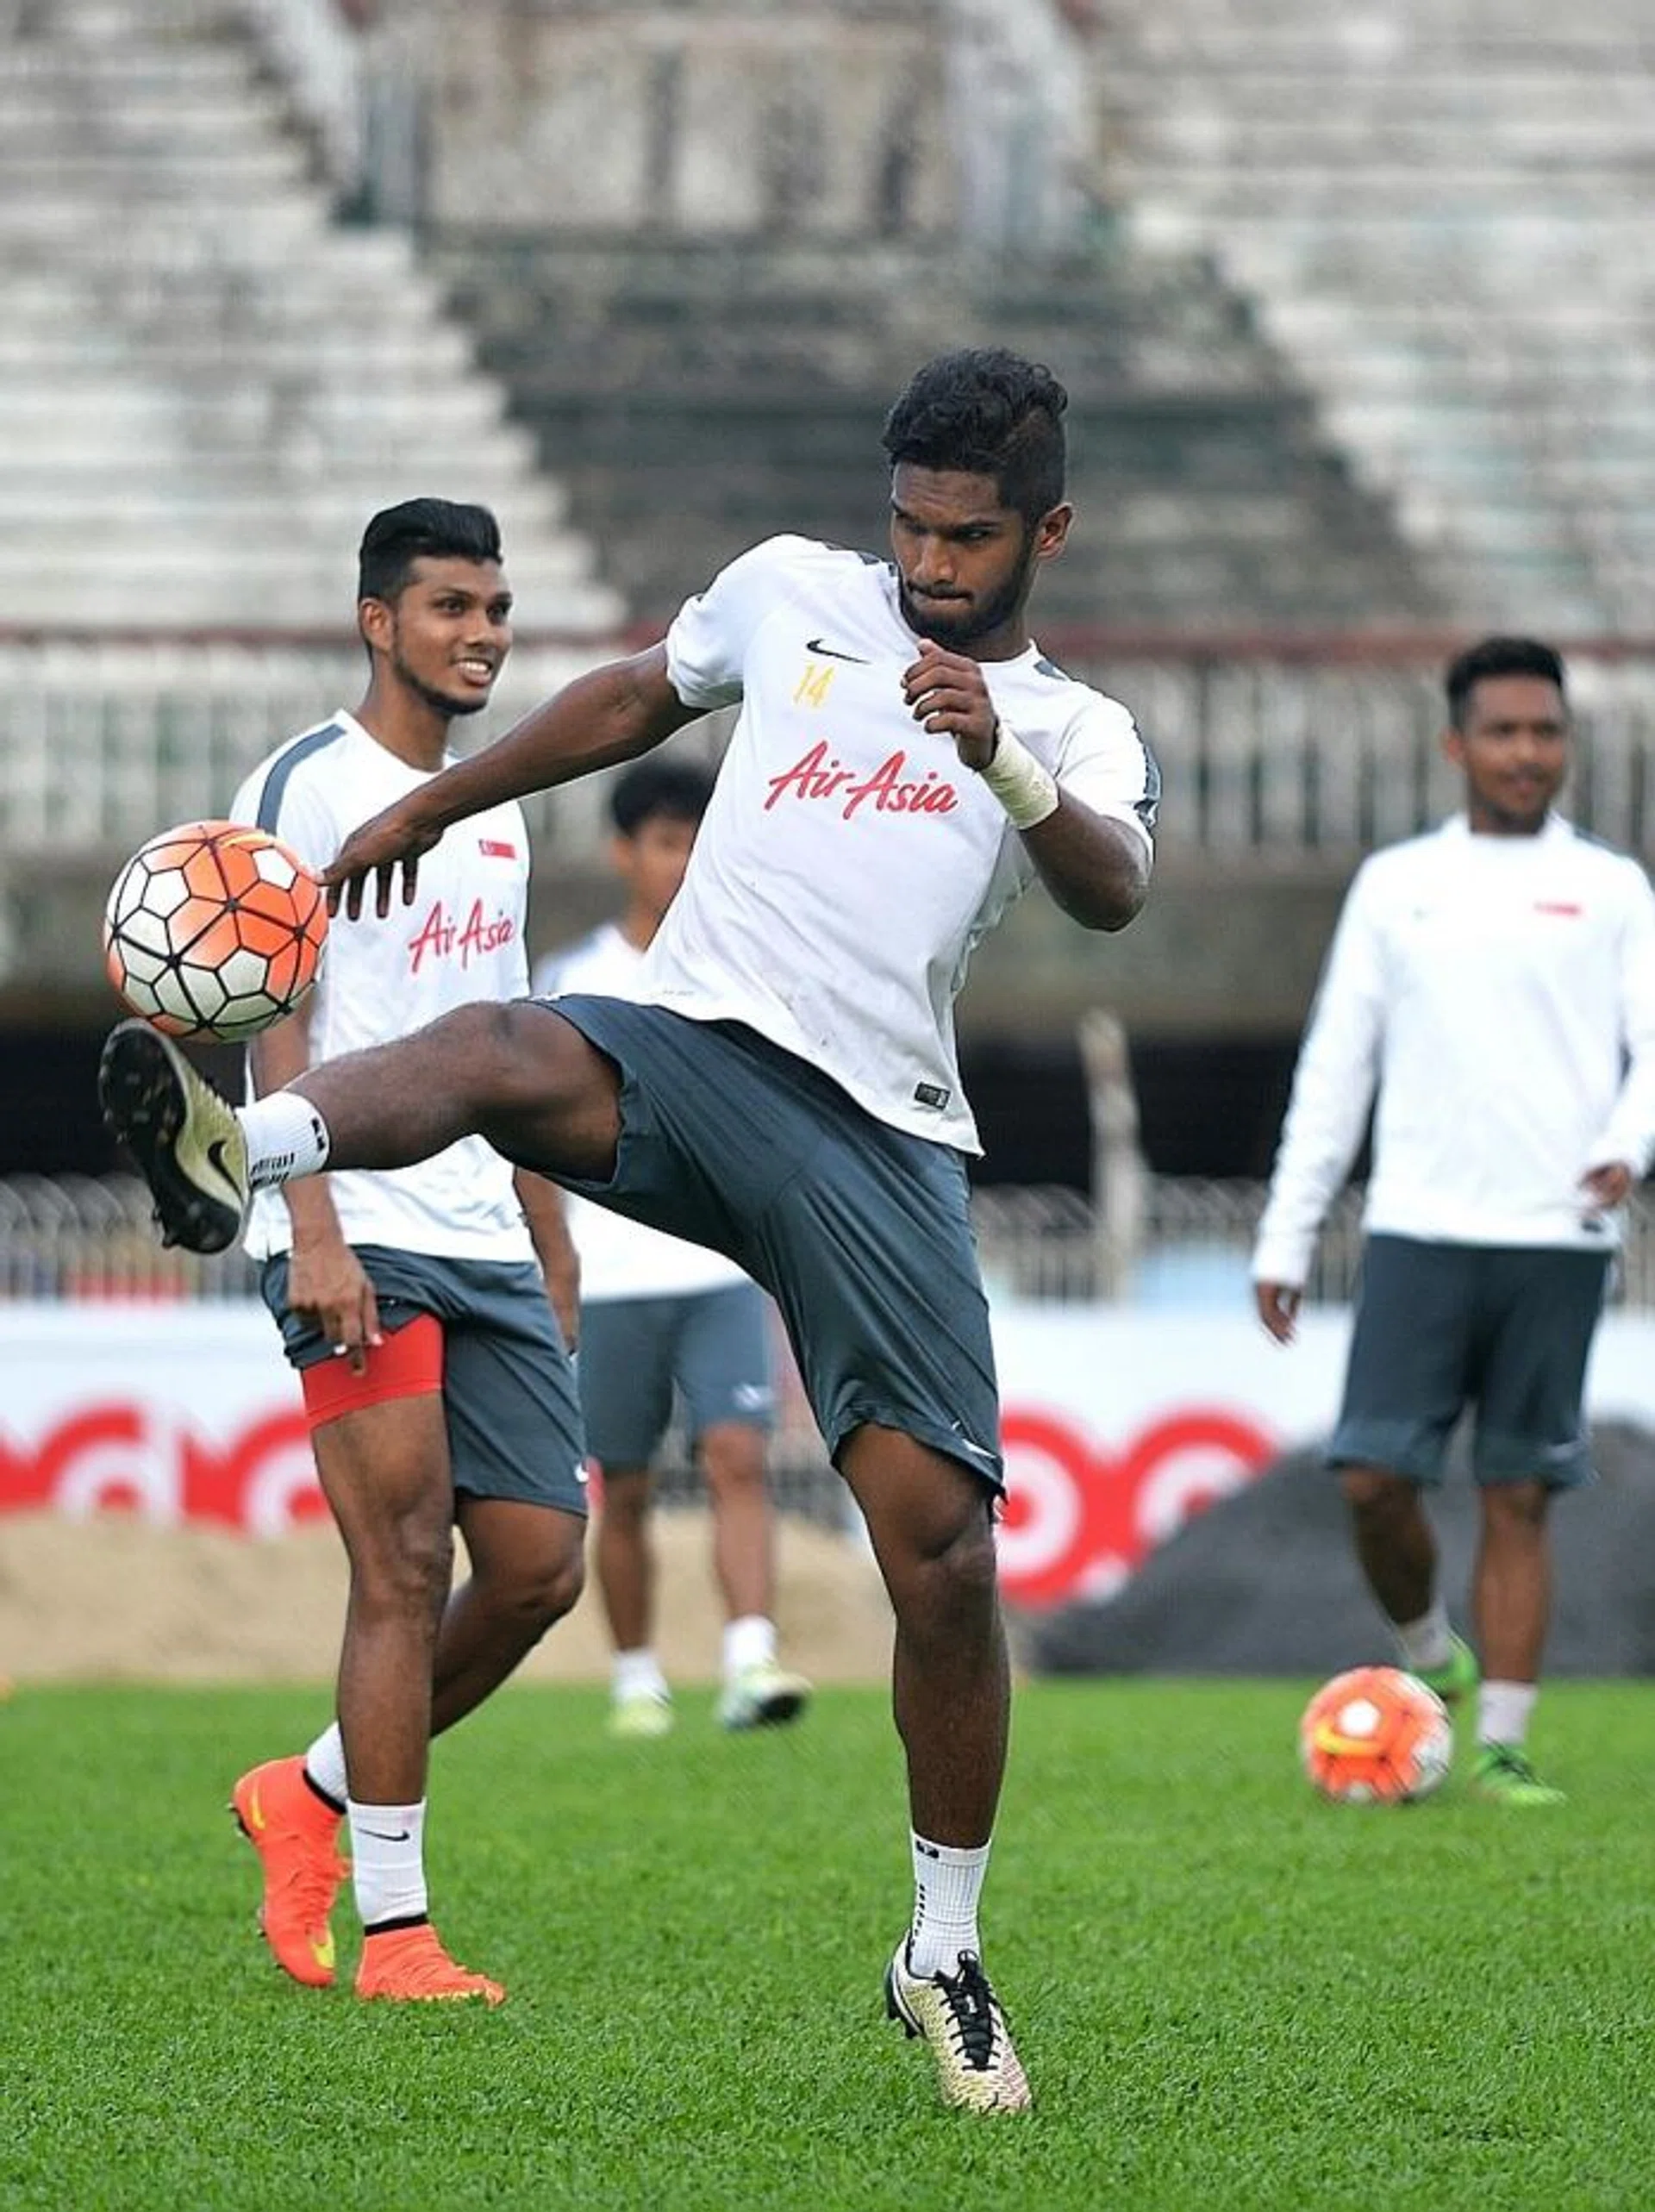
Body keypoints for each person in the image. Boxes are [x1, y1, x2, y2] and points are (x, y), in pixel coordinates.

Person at [100, 349, 1158, 2111]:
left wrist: (1011, 768)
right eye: (908, 524)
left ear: (1044, 528)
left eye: (968, 537)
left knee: (943, 1551)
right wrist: (440, 796)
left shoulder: (1069, 721)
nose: (930, 564)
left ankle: (943, 1946)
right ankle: (241, 1151)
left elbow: (1116, 882)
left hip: (876, 1138)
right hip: (693, 1056)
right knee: (510, 1042)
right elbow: (632, 695)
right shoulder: (791, 592)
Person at [220, 498, 588, 2003]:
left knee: (538, 1570)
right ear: (379, 620)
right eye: (450, 607)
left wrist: (550, 1229)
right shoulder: (302, 785)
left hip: (479, 1224)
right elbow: (262, 1007)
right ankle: (398, 1934)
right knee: (402, 1559)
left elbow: (499, 1042)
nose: (482, 633)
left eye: (496, 607)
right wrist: (307, 1224)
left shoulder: (491, 806)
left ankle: (305, 1788)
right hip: (349, 1225)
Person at [1252, 635, 1655, 1806]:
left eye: (1546, 732)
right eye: (1504, 731)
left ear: (1566, 744)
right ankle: (1434, 1652)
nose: (1527, 753)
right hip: (1421, 1227)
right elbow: (1338, 1066)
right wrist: (1286, 1231)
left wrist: (1624, 1147)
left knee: (1520, 1490)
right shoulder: (1397, 884)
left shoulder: (1614, 887)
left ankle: (1507, 1746)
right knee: (1374, 1479)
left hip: (1557, 1232)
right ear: (1457, 745)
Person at [532, 757, 811, 1738]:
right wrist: (556, 1258)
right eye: (664, 842)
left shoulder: (743, 970)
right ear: (624, 852)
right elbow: (526, 1128)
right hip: (613, 1278)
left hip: (718, 1268)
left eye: (698, 841)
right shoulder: (571, 980)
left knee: (740, 1454)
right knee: (629, 1480)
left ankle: (749, 1659)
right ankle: (637, 1674)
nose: (682, 861)